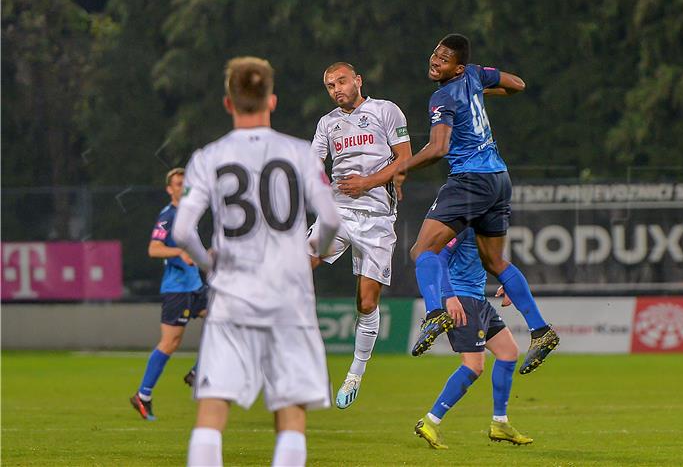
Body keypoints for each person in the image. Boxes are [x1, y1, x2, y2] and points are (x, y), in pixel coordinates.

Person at [173, 56, 340, 467]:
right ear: (273, 100)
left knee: (212, 412)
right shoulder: (301, 153)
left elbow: (181, 232)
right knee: (290, 414)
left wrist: (209, 264)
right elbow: (332, 219)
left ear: (228, 103)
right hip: (289, 298)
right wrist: (311, 253)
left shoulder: (207, 156)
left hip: (232, 297)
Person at [392, 33, 558, 374]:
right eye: (435, 54)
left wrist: (394, 169)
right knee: (494, 260)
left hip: (470, 180)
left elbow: (438, 149)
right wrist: (479, 88)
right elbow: (518, 84)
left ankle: (435, 313)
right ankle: (541, 330)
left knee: (421, 250)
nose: (435, 61)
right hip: (500, 178)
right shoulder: (473, 76)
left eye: (444, 58)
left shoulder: (443, 96)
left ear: (458, 67)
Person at [308, 62, 411, 409]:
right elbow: (314, 165)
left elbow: (405, 158)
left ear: (357, 80)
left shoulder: (385, 111)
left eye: (341, 81)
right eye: (329, 85)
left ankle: (355, 372)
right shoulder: (327, 123)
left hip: (378, 217)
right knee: (295, 265)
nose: (336, 89)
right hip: (338, 212)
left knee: (366, 302)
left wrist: (368, 182)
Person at [415, 228, 533, 449]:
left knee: (508, 352)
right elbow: (439, 256)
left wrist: (506, 281)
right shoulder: (464, 224)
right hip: (461, 299)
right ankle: (430, 421)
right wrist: (449, 297)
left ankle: (500, 423)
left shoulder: (488, 223)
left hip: (478, 299)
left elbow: (490, 258)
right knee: (474, 365)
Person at [130, 167, 207, 421]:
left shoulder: (189, 212)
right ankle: (143, 395)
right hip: (177, 290)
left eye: (184, 183)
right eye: (176, 184)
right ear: (169, 189)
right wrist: (179, 254)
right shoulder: (169, 215)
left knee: (225, 319)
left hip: (195, 286)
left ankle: (198, 371)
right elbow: (154, 249)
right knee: (170, 342)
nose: (181, 187)